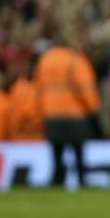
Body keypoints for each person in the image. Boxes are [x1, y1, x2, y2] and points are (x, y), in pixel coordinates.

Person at [35, 34, 100, 186]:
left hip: (51, 113)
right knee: (78, 152)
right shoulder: (76, 59)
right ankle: (82, 180)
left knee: (57, 152)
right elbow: (86, 88)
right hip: (74, 114)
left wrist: (41, 110)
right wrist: (93, 109)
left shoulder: (45, 59)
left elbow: (38, 87)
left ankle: (57, 181)